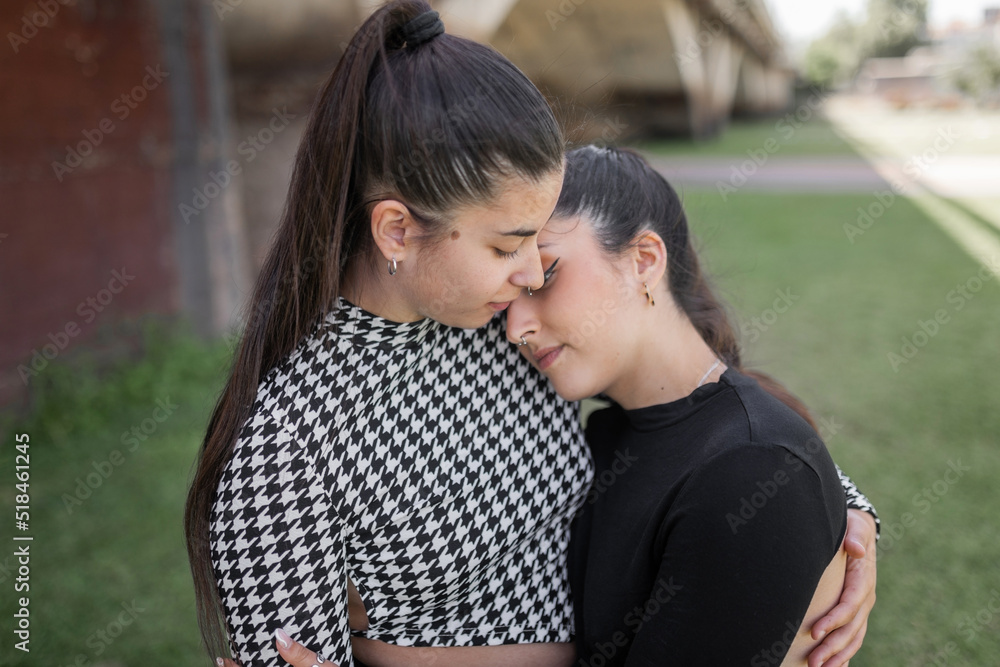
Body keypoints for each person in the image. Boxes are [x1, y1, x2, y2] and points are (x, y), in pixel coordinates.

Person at [187, 3, 878, 666]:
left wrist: (835, 504)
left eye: (541, 253)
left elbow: (694, 424)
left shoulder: (491, 318)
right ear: (396, 231)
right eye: (507, 245)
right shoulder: (285, 449)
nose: (527, 277)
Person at [502, 145, 878, 665]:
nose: (515, 328)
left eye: (544, 276)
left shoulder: (756, 469)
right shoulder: (600, 437)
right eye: (507, 297)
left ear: (644, 260)